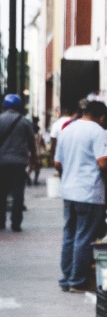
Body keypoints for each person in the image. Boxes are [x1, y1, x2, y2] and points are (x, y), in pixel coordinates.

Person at [54, 100, 107, 292]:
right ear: (102, 117)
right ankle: (77, 280)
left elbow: (57, 164)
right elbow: (104, 162)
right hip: (89, 191)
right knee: (84, 236)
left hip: (69, 191)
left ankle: (66, 278)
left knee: (69, 235)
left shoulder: (67, 129)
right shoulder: (97, 131)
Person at [0, 94, 36, 233]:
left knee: (1, 192)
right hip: (19, 162)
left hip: (1, 162)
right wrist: (34, 159)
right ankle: (16, 223)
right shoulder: (24, 122)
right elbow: (32, 143)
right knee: (18, 193)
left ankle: (1, 221)